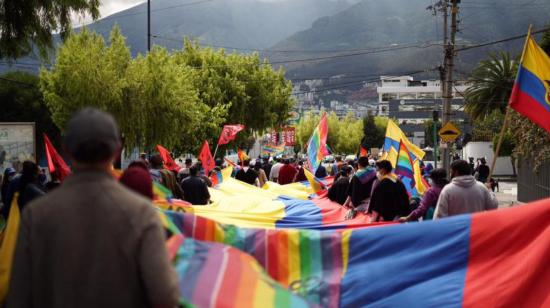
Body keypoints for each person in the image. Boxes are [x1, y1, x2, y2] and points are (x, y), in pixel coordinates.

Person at [7, 108, 179, 307]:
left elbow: (18, 298)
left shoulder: (35, 215)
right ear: (117, 149)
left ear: (66, 149)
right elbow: (165, 296)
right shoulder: (142, 213)